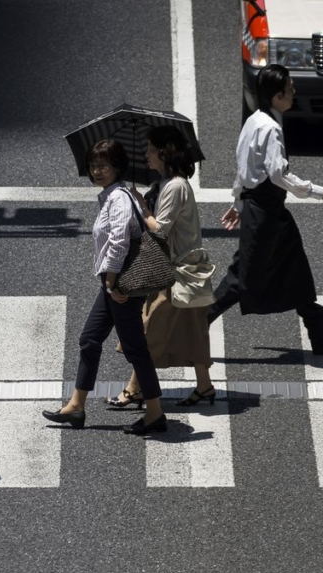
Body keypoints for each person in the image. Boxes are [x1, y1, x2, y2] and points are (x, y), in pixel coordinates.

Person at [209, 64, 323, 356]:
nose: (293, 92)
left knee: (295, 268)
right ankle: (190, 326)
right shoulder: (270, 128)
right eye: (290, 89)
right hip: (265, 213)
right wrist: (319, 191)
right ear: (277, 95)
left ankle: (322, 334)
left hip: (263, 210)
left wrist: (239, 203)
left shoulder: (254, 120)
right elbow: (279, 174)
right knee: (242, 276)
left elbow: (243, 169)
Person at [42, 139, 167, 435]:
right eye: (93, 165)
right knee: (89, 339)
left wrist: (111, 281)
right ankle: (76, 406)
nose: (97, 171)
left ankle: (155, 413)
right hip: (112, 283)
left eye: (104, 165)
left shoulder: (119, 198)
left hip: (119, 282)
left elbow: (119, 240)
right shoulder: (114, 195)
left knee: (136, 349)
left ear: (117, 167)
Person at [105, 126, 214, 409]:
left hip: (176, 272)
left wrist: (142, 206)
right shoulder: (167, 184)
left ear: (164, 153)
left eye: (151, 149)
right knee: (193, 330)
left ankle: (134, 389)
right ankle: (204, 387)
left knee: (148, 329)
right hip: (181, 269)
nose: (146, 154)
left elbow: (161, 230)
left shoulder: (175, 186)